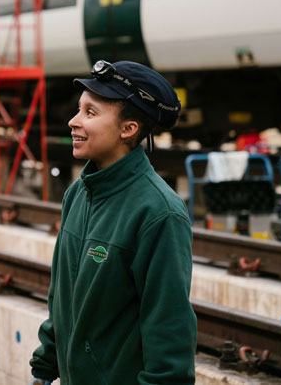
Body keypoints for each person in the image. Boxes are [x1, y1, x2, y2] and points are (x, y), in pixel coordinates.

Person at [29, 60, 197, 385]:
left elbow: (168, 325)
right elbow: (61, 297)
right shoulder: (78, 194)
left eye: (90, 114)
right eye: (79, 110)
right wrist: (44, 368)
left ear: (128, 129)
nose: (73, 122)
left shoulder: (159, 212)